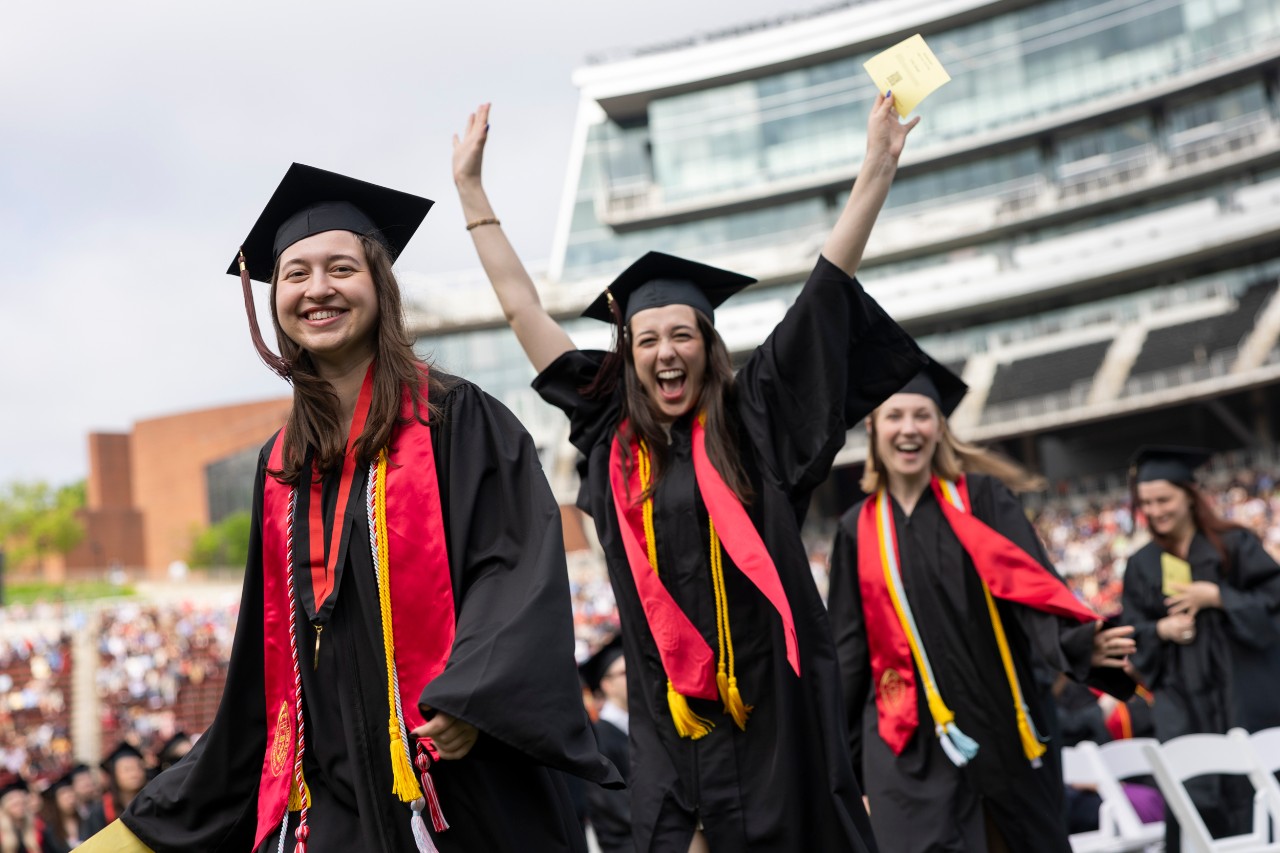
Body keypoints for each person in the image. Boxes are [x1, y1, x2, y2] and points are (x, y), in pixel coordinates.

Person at [79, 163, 620, 853]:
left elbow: (513, 569)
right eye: (296, 273)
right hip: (336, 805)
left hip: (461, 786)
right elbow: (263, 672)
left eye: (340, 267)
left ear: (380, 287)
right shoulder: (282, 467)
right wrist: (142, 828)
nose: (317, 289)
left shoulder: (458, 421)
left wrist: (471, 694)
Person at [453, 93, 927, 852]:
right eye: (647, 339)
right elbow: (521, 312)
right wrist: (474, 196)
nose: (665, 351)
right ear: (629, 353)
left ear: (707, 345)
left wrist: (877, 165)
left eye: (682, 334)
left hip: (774, 716)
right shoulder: (608, 432)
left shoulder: (756, 421)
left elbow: (825, 288)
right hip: (669, 720)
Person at [827, 359, 1137, 853]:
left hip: (1000, 721)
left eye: (922, 416)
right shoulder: (854, 530)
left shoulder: (984, 500)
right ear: (873, 427)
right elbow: (848, 655)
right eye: (895, 416)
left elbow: (1033, 587)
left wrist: (1075, 643)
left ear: (940, 427)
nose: (909, 429)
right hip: (902, 741)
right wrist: (843, 766)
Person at [1119, 445, 1280, 846]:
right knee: (1193, 795)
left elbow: (1275, 604)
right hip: (1184, 703)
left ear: (1190, 496)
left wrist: (1220, 597)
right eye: (1146, 503)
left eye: (1163, 499)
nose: (1155, 511)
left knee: (1255, 791)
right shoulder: (1141, 564)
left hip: (1242, 696)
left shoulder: (1234, 545)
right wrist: (1161, 630)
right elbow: (1133, 632)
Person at [578, 636, 631, 853]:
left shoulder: (646, 729)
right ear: (606, 684)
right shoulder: (598, 738)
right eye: (624, 673)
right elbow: (613, 808)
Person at [81, 743, 147, 838]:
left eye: (138, 768)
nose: (134, 773)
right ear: (114, 774)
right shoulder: (100, 811)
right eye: (127, 769)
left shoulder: (152, 804)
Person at [40, 766, 90, 852]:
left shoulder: (88, 819)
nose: (69, 799)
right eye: (63, 795)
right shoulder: (50, 833)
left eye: (71, 794)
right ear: (56, 801)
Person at [0, 774, 40, 853]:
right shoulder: (2, 834)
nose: (20, 808)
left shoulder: (37, 827)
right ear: (6, 806)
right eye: (15, 805)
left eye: (22, 804)